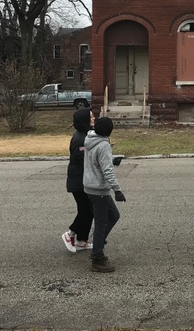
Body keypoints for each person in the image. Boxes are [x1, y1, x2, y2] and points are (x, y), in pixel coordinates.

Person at [83, 116, 126, 273]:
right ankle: (97, 259)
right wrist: (117, 190)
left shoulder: (90, 139)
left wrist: (112, 159)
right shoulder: (103, 145)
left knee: (113, 215)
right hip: (98, 189)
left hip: (90, 186)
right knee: (102, 222)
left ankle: (98, 243)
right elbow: (107, 170)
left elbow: (97, 161)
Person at [62, 108, 95, 253]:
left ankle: (82, 240)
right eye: (91, 117)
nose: (94, 119)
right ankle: (70, 234)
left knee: (89, 210)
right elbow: (82, 159)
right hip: (78, 181)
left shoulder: (86, 135)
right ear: (84, 120)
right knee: (86, 210)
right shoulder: (79, 138)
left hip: (84, 179)